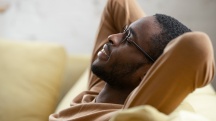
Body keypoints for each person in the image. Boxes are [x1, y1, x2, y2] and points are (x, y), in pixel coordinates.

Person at [49, 0, 215, 120]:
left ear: (148, 74)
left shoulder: (129, 113)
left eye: (128, 39)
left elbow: (196, 46)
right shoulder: (98, 90)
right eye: (124, 31)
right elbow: (117, 3)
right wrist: (141, 33)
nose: (112, 37)